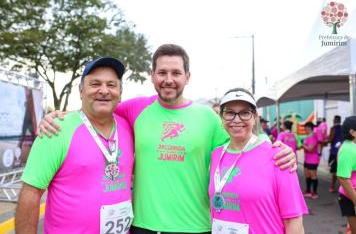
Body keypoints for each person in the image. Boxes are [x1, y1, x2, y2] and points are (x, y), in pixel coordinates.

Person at [37, 44, 297, 233]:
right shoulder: (135, 109)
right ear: (152, 76)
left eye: (175, 73)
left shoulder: (207, 117)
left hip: (196, 226)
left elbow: (242, 140)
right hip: (142, 226)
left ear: (187, 77)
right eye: (162, 73)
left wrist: (277, 149)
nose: (168, 79)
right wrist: (59, 116)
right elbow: (97, 105)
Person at [15, 57, 134, 233]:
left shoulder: (129, 127)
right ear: (80, 91)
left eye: (111, 85)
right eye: (95, 84)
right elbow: (30, 194)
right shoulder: (56, 130)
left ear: (120, 92)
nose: (103, 90)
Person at [209, 87, 307, 233]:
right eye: (230, 113)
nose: (237, 119)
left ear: (255, 117)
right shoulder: (216, 155)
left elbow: (293, 221)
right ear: (222, 118)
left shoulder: (279, 156)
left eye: (244, 113)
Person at [337, 116, 356, 234]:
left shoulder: (352, 146)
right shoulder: (348, 149)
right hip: (350, 197)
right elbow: (343, 178)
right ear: (353, 132)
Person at [302, 122, 320, 199]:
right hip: (307, 159)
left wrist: (302, 145)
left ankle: (315, 193)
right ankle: (308, 191)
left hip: (313, 160)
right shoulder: (307, 136)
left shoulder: (313, 136)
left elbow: (310, 148)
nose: (304, 129)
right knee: (307, 175)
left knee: (313, 176)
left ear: (309, 127)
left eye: (305, 128)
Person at [328, 115, 342, 192]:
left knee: (334, 171)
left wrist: (327, 139)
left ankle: (332, 186)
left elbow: (330, 139)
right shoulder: (343, 128)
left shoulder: (333, 129)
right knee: (341, 170)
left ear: (334, 120)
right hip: (342, 152)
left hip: (334, 152)